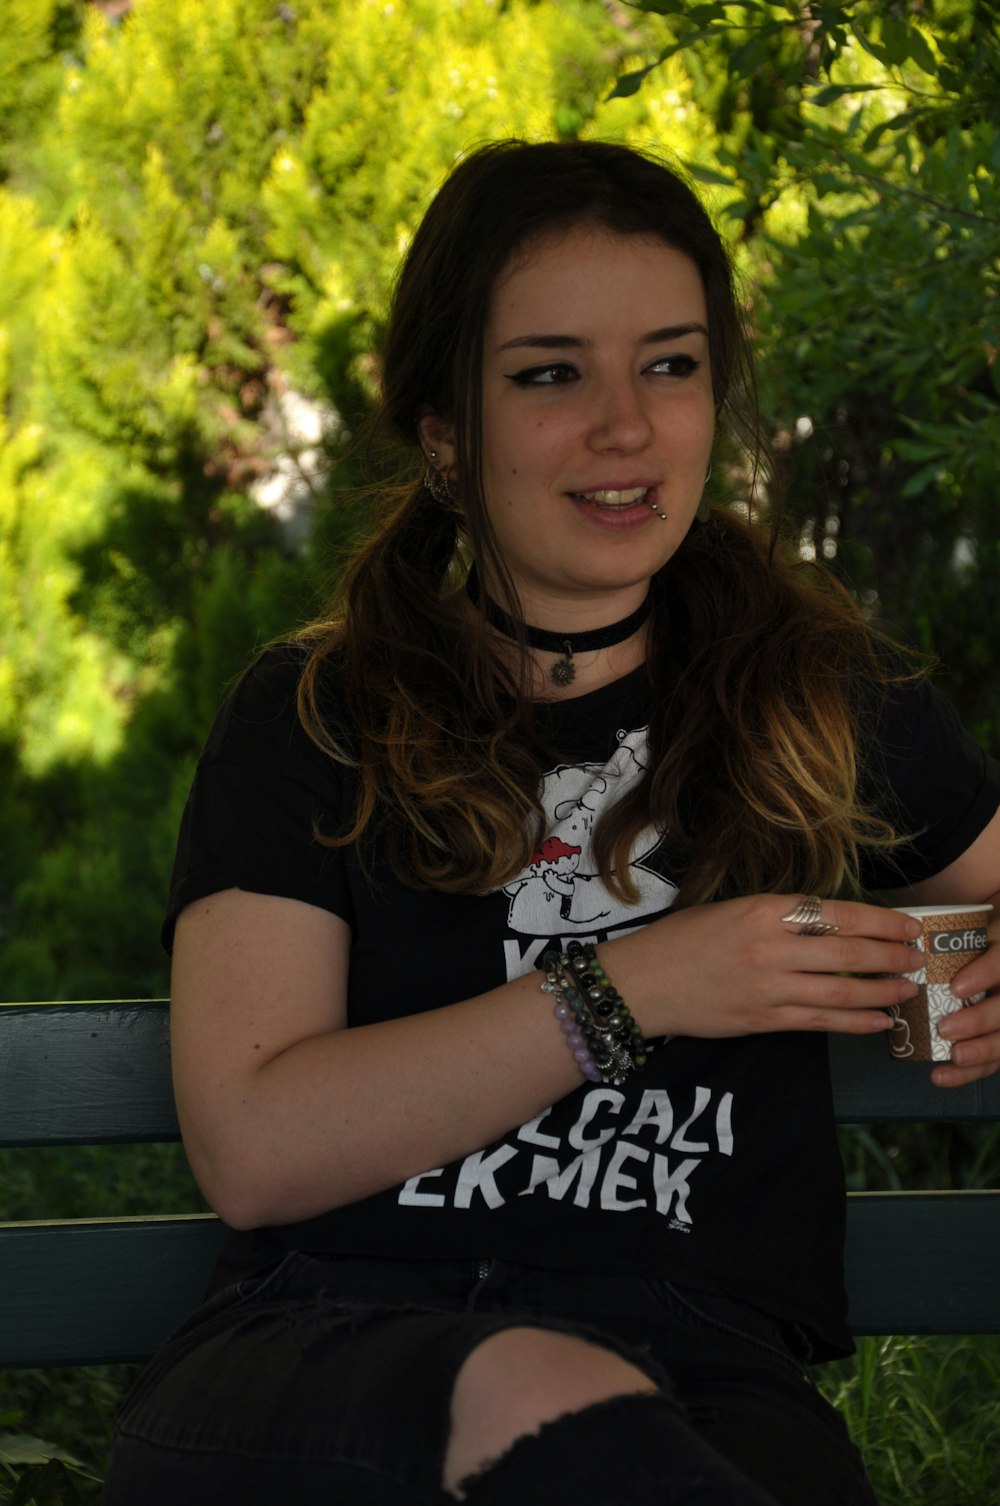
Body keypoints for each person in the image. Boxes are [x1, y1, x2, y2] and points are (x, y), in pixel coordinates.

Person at [102, 139, 1000, 1506]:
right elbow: (255, 1149)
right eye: (550, 373)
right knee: (542, 1388)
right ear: (446, 433)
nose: (626, 426)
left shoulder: (827, 699)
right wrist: (647, 980)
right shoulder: (313, 714)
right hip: (331, 1354)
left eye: (671, 362)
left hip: (704, 1368)